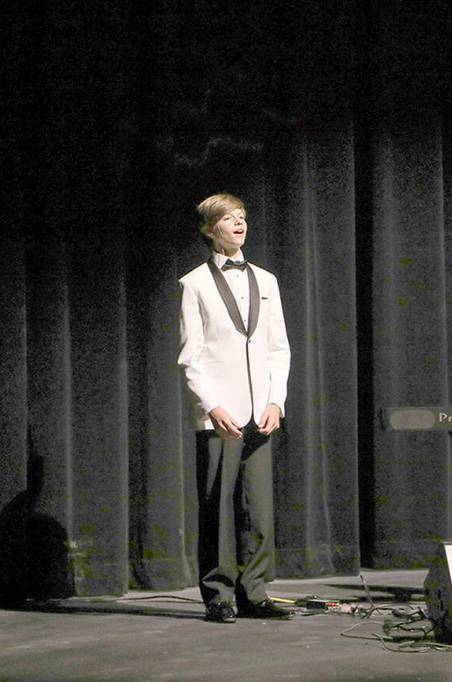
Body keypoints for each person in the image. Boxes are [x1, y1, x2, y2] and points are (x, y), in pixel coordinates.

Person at [177, 193, 292, 623]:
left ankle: (255, 591)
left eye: (242, 216)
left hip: (260, 411)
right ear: (211, 229)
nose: (240, 223)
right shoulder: (194, 284)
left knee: (258, 510)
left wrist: (276, 400)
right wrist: (212, 405)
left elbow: (278, 348)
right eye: (229, 218)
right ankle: (218, 594)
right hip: (220, 415)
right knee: (218, 510)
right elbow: (190, 357)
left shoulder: (267, 280)